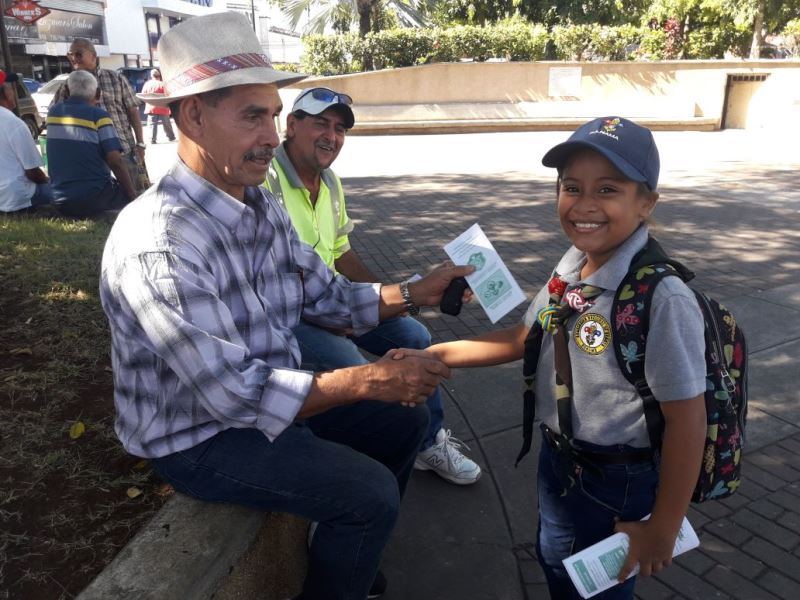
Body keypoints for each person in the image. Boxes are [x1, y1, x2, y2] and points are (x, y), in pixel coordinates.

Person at [100, 12, 474, 600]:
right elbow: (235, 396)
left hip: (269, 392)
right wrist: (369, 378)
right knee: (370, 495)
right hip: (198, 437)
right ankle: (348, 555)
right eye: (253, 116)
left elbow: (325, 295)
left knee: (407, 423)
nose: (273, 137)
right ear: (192, 116)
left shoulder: (258, 204)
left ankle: (350, 554)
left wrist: (414, 291)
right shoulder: (160, 244)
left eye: (273, 115)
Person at [422, 117, 707, 599]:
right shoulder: (573, 265)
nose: (584, 205)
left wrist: (664, 526)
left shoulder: (663, 299)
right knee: (557, 560)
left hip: (616, 477)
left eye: (608, 189)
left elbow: (687, 420)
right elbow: (524, 338)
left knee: (594, 588)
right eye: (572, 187)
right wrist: (432, 353)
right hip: (560, 459)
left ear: (646, 203)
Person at [264, 87, 482, 486]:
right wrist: (340, 318)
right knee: (354, 363)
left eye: (340, 129)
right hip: (289, 314)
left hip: (336, 300)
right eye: (321, 124)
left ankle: (428, 442)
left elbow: (342, 253)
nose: (331, 136)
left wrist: (391, 298)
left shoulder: (330, 182)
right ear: (291, 125)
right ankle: (355, 458)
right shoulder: (265, 181)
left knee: (415, 334)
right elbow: (277, 282)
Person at [51, 38, 149, 193]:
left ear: (93, 56)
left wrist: (140, 143)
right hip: (91, 159)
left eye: (78, 54)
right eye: (70, 55)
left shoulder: (115, 78)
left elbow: (133, 112)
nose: (74, 59)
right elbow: (56, 117)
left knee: (137, 195)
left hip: (123, 151)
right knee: (104, 201)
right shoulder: (67, 85)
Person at [46, 71, 136, 218]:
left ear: (67, 91)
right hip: (95, 198)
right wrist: (132, 196)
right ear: (98, 93)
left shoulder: (53, 113)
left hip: (59, 199)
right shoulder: (99, 116)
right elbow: (115, 161)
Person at [0, 69, 53, 214]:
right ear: (5, 93)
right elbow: (33, 172)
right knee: (64, 190)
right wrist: (47, 180)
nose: (14, 92)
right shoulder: (14, 123)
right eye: (11, 88)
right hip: (16, 197)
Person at [141, 69, 175, 144]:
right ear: (159, 76)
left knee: (152, 124)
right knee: (167, 123)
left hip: (151, 107)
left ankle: (152, 139)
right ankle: (171, 137)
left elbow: (143, 95)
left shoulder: (147, 84)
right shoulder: (163, 84)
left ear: (151, 76)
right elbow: (168, 95)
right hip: (163, 107)